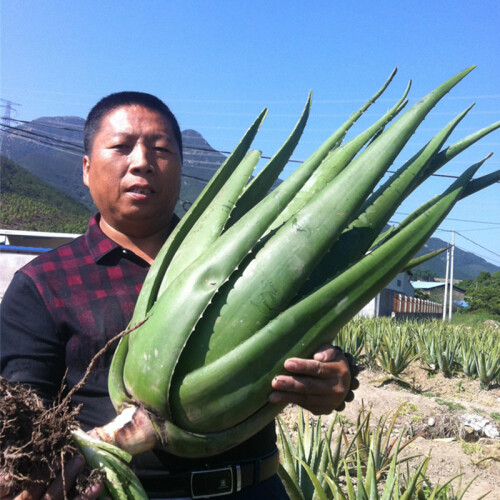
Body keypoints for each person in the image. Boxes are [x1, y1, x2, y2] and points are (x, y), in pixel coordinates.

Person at [0, 92, 358, 499]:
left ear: (181, 167)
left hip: (256, 489)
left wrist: (336, 376)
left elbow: (306, 342)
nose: (141, 162)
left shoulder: (246, 257)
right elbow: (25, 411)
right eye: (120, 147)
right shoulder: (42, 283)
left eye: (161, 149)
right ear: (86, 169)